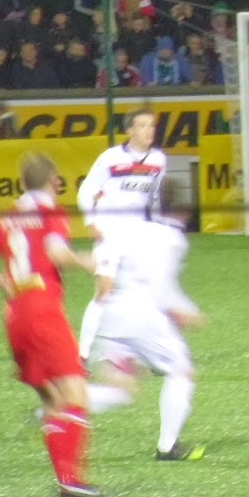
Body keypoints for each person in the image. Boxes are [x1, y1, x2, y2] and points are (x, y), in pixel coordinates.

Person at [0, 151, 112, 497]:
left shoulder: (8, 215)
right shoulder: (51, 211)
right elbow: (57, 252)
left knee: (52, 401)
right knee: (75, 393)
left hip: (15, 313)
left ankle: (68, 489)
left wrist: (3, 282)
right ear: (53, 181)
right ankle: (73, 484)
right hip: (43, 310)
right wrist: (87, 261)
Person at [84, 192, 206, 462]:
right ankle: (167, 447)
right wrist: (184, 311)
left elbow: (105, 262)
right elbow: (161, 285)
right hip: (144, 316)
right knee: (181, 372)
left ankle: (53, 409)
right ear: (185, 213)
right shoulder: (173, 239)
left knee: (121, 387)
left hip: (114, 313)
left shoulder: (133, 230)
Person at [75, 110, 166, 362]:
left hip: (139, 234)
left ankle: (150, 353)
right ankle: (82, 355)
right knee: (105, 291)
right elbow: (86, 191)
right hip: (110, 232)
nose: (149, 130)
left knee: (145, 294)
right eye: (143, 125)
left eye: (152, 125)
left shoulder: (158, 160)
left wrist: (158, 227)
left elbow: (154, 198)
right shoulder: (110, 158)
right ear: (130, 130)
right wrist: (91, 222)